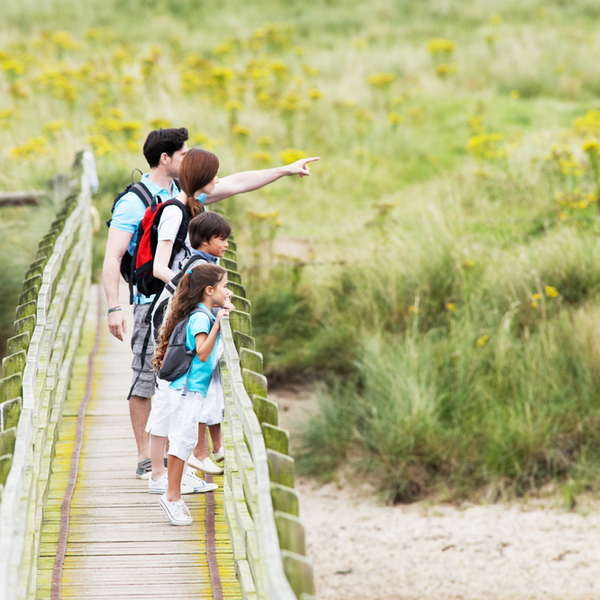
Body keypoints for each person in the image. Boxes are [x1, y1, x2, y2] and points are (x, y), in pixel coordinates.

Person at [149, 147, 319, 480]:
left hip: (190, 306)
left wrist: (285, 169)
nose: (218, 180)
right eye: (212, 174)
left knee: (190, 390)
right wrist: (200, 293)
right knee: (176, 392)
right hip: (176, 308)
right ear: (199, 177)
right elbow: (160, 267)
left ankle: (185, 468)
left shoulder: (198, 202)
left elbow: (241, 181)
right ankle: (168, 475)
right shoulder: (176, 209)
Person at [102, 127, 188, 479]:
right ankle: (143, 455)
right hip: (147, 302)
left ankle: (167, 453)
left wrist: (284, 171)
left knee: (176, 374)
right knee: (144, 376)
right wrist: (113, 307)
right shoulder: (134, 201)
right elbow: (112, 257)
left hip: (179, 302)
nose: (188, 158)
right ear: (165, 158)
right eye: (183, 153)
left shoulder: (179, 192)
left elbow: (230, 184)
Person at [145, 212, 233, 494]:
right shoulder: (199, 271)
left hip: (173, 351)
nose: (227, 244)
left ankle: (171, 479)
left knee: (173, 423)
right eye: (222, 239)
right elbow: (203, 352)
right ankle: (166, 485)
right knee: (170, 422)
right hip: (177, 362)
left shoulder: (199, 268)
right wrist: (218, 321)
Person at [153, 264, 229, 525]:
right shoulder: (201, 317)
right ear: (210, 290)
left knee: (183, 440)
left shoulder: (204, 312)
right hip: (186, 390)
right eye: (224, 287)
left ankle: (173, 496)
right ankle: (171, 497)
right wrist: (218, 324)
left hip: (191, 389)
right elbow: (202, 352)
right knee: (181, 441)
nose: (227, 291)